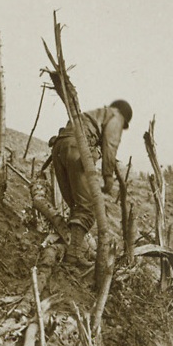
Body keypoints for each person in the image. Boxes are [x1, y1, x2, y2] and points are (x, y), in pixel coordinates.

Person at [49, 99, 132, 255]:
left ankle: (70, 247)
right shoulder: (116, 117)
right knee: (87, 209)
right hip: (77, 150)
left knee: (76, 206)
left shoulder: (93, 114)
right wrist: (108, 176)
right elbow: (110, 145)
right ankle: (73, 255)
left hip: (59, 149)